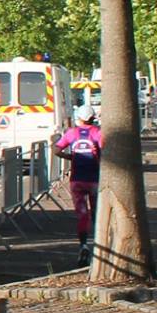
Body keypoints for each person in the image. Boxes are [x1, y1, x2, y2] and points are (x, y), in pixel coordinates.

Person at [55, 106, 103, 266]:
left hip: (77, 180)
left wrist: (71, 157)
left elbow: (56, 149)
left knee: (82, 214)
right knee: (97, 212)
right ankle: (99, 245)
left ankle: (83, 245)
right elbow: (105, 151)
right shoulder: (97, 132)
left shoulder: (72, 133)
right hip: (95, 178)